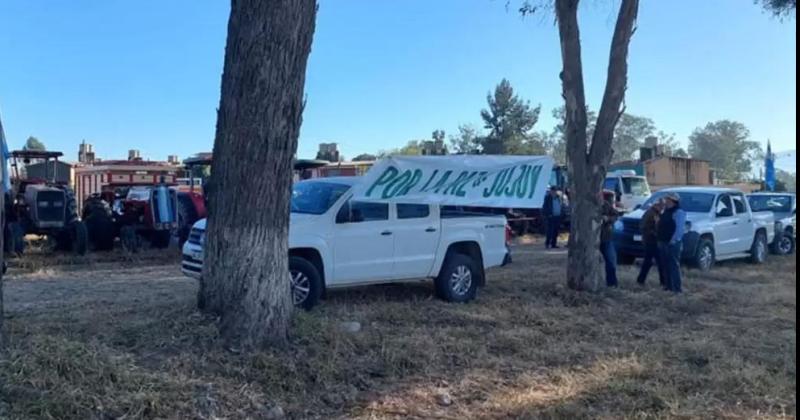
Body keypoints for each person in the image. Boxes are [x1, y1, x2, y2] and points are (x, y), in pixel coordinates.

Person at [658, 193, 687, 293]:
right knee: (665, 265)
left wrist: (673, 240)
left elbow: (679, 229)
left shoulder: (679, 212)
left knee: (674, 266)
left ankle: (677, 289)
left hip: (672, 243)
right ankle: (668, 287)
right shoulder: (666, 211)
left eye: (668, 200)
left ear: (673, 201)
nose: (666, 201)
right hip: (663, 241)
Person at [637, 198, 666, 287]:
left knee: (649, 261)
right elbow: (642, 226)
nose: (662, 207)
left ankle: (641, 280)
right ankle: (663, 282)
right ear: (656, 205)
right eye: (661, 206)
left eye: (663, 206)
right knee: (658, 261)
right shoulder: (650, 213)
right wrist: (653, 233)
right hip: (650, 241)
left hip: (654, 241)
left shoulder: (658, 214)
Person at [599, 190, 620, 287]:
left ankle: (612, 283)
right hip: (592, 240)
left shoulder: (606, 205)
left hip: (605, 238)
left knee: (611, 261)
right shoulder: (587, 205)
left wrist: (608, 219)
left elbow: (615, 215)